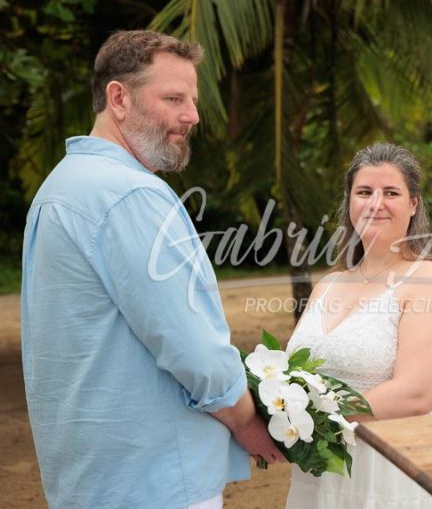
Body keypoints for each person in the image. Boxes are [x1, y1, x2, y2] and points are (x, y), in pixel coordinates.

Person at [21, 30, 282, 509]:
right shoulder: (129, 194)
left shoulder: (60, 187)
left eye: (193, 100)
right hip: (154, 477)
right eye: (174, 99)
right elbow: (191, 346)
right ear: (118, 98)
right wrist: (248, 421)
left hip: (92, 477)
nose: (193, 115)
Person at [284, 142, 432, 508]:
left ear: (413, 204)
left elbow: (418, 394)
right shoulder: (328, 284)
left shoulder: (431, 280)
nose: (375, 203)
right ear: (349, 202)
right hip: (319, 471)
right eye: (364, 192)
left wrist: (314, 416)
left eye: (391, 193)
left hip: (390, 470)